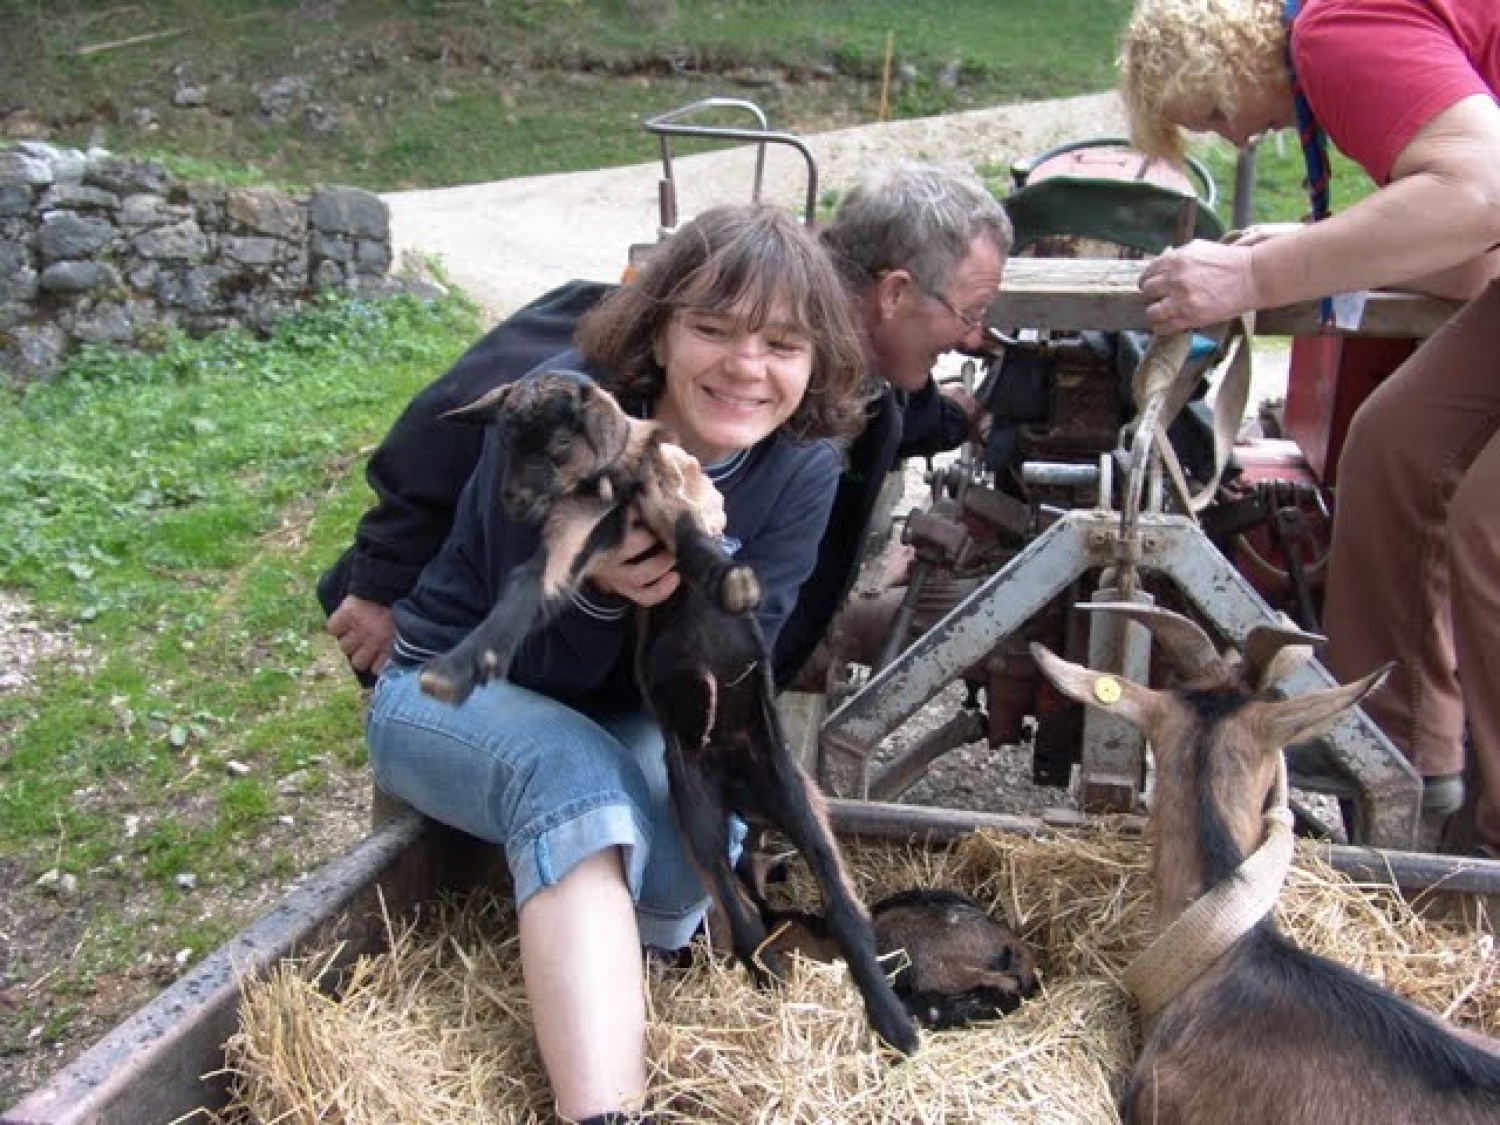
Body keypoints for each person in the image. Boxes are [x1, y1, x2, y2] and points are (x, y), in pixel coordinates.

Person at [365, 204, 867, 1124]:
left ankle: (629, 968)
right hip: (448, 689)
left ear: (815, 360)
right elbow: (521, 648)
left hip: (628, 711)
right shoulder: (561, 415)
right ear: (660, 332)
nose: (746, 366)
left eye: (782, 344)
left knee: (688, 840)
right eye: (712, 328)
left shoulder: (801, 467)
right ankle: (602, 1109)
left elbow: (740, 660)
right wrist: (598, 584)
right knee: (575, 773)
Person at [318, 159, 1014, 689]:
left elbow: (894, 415)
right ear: (894, 293)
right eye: (969, 312)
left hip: (639, 681)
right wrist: (379, 579)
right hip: (501, 665)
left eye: (781, 345)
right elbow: (455, 413)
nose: (973, 335)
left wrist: (960, 414)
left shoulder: (859, 386)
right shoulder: (633, 340)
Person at [1118, 0, 1500, 855]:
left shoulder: (1333, 33)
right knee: (1397, 444)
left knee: (1489, 519)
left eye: (1211, 116)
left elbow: (1480, 193)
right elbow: (1475, 258)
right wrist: (1314, 248)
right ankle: (1400, 759)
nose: (1235, 137)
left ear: (1222, 68)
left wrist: (1256, 276)